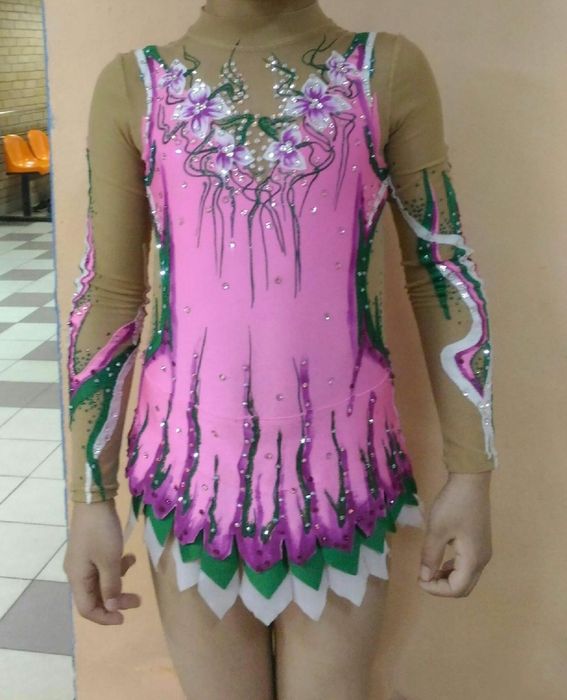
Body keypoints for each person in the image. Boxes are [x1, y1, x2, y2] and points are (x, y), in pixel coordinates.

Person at [63, 0, 497, 698]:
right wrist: (89, 495)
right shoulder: (132, 85)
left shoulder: (384, 70)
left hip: (344, 479)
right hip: (187, 479)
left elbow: (440, 268)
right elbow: (110, 295)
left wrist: (472, 471)